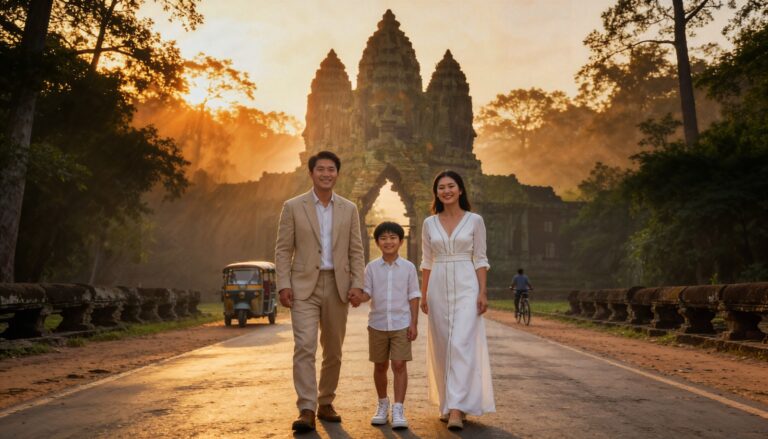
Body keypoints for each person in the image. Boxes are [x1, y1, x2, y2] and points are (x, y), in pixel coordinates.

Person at [275, 150, 365, 433]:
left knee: (334, 349)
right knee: (304, 346)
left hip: (337, 285)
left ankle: (326, 401)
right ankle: (306, 408)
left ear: (337, 173)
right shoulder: (293, 206)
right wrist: (283, 284)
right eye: (320, 169)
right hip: (303, 285)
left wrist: (357, 284)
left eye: (331, 169)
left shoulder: (348, 208)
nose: (326, 174)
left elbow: (356, 250)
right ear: (311, 173)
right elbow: (283, 249)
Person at [420, 170, 495, 431]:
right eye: (441, 187)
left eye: (451, 186)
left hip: (467, 283)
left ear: (460, 190)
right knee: (443, 345)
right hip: (438, 284)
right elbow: (427, 261)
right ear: (436, 193)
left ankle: (456, 409)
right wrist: (424, 293)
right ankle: (448, 402)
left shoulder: (475, 220)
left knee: (461, 343)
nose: (446, 191)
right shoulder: (429, 223)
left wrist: (482, 291)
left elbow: (481, 258)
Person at [354, 221, 420, 430]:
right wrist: (356, 297)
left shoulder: (408, 268)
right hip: (378, 324)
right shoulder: (371, 267)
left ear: (401, 241)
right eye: (383, 238)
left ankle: (398, 408)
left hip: (401, 323)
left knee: (399, 365)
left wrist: (414, 323)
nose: (388, 241)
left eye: (393, 238)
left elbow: (414, 296)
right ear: (377, 242)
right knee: (380, 365)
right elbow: (367, 293)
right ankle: (383, 404)